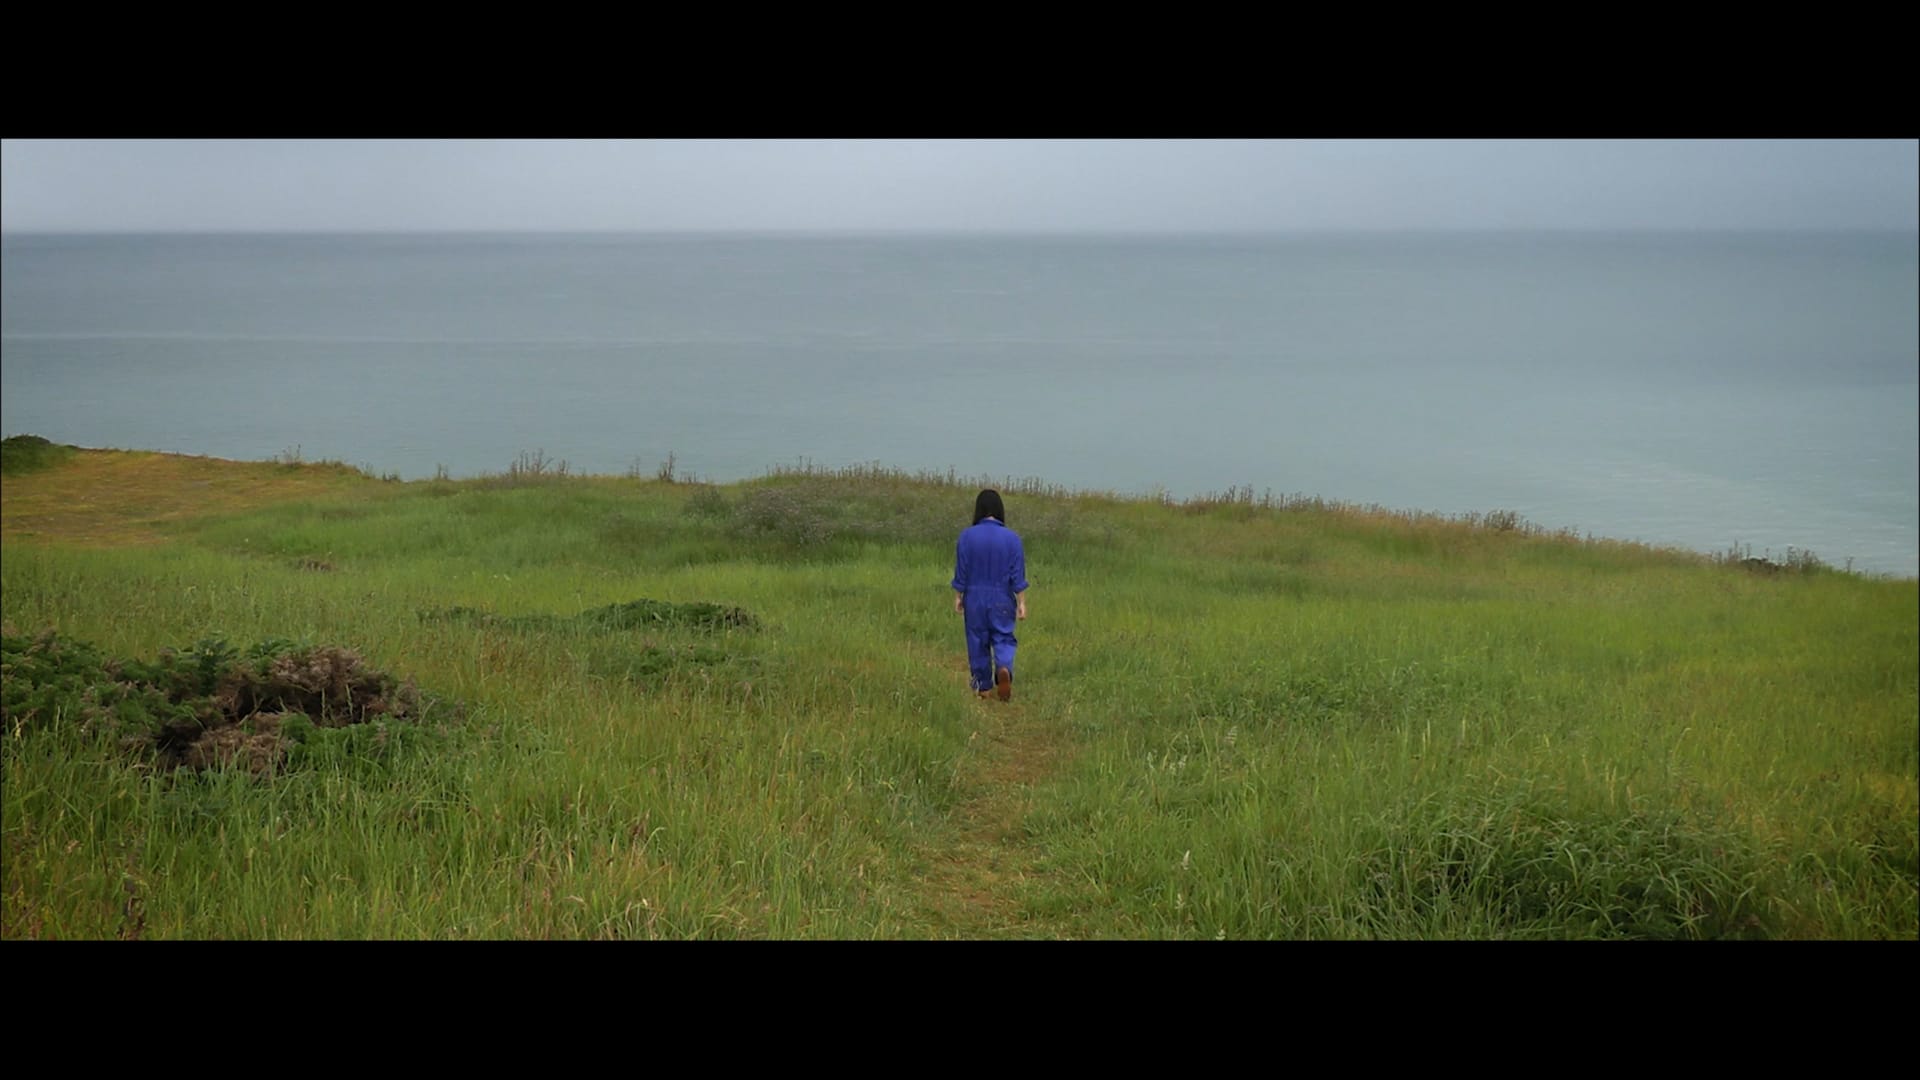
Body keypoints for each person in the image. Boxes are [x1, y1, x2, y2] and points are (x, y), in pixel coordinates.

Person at [951, 489, 1028, 700]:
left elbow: (962, 571)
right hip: (1002, 596)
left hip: (975, 596)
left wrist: (959, 596)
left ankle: (983, 686)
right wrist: (1021, 602)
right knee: (1003, 637)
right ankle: (1003, 667)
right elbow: (1018, 575)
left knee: (977, 640)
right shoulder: (1013, 539)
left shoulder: (967, 536)